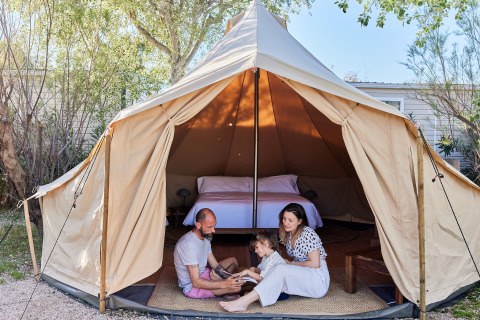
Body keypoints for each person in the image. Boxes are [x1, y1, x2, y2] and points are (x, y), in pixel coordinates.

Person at [220, 203, 329, 312]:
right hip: (305, 273)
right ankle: (238, 292)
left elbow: (315, 264)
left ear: (300, 221)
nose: (286, 223)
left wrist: (291, 264)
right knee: (275, 271)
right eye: (284, 219)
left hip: (318, 279)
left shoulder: (307, 233)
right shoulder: (290, 234)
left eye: (290, 220)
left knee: (281, 268)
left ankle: (243, 302)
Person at [174, 208, 245, 299]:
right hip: (193, 287)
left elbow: (215, 266)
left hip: (205, 274)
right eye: (210, 227)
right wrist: (225, 283)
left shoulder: (206, 238)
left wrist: (231, 277)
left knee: (234, 261)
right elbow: (196, 282)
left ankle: (225, 289)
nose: (213, 230)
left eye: (214, 226)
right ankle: (225, 291)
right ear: (198, 225)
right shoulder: (188, 245)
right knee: (237, 288)